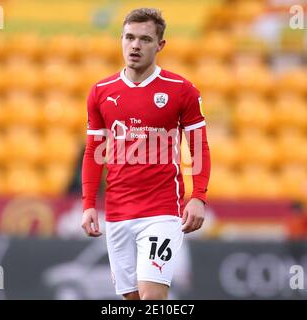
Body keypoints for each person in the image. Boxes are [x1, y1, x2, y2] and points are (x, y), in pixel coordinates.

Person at [81, 8, 211, 300]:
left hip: (161, 211)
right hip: (117, 212)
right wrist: (89, 204)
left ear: (160, 45)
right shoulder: (101, 91)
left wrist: (198, 196)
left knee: (152, 297)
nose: (135, 45)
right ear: (121, 39)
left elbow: (199, 146)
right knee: (132, 300)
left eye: (144, 39)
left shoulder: (181, 90)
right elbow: (93, 152)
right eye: (129, 37)